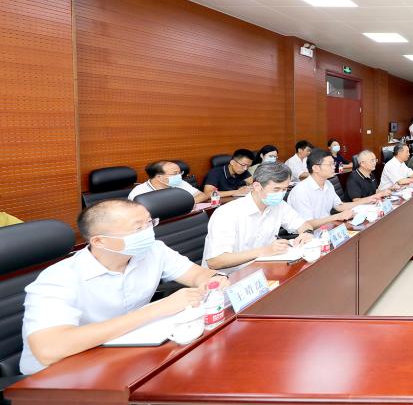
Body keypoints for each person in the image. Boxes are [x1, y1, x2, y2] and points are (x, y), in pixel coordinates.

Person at [20, 200, 229, 374]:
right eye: (138, 228)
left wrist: (214, 279)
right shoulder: (59, 278)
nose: (149, 232)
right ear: (100, 241)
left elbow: (197, 274)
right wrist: (156, 309)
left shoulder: (154, 251)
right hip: (62, 373)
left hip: (125, 354)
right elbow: (49, 349)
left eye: (149, 223)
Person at [202, 163, 317, 272]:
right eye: (276, 189)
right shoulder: (227, 213)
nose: (281, 194)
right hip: (228, 277)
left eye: (284, 189)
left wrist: (306, 234)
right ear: (257, 186)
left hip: (262, 270)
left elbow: (304, 225)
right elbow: (215, 261)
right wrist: (264, 251)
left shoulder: (279, 205)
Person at [287, 149, 376, 225]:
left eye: (334, 164)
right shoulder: (301, 191)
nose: (334, 167)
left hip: (327, 227)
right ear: (316, 168)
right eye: (330, 164)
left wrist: (367, 200)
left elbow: (339, 206)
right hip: (307, 235)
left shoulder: (328, 184)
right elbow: (307, 224)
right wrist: (337, 216)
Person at [130, 160, 208, 204]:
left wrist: (184, 205)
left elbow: (202, 195)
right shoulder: (139, 192)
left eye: (180, 173)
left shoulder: (180, 183)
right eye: (175, 173)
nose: (179, 176)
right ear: (159, 177)